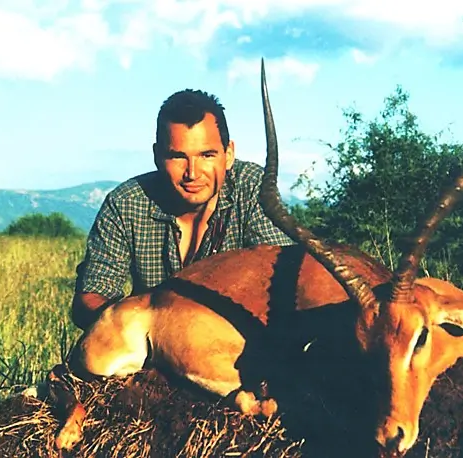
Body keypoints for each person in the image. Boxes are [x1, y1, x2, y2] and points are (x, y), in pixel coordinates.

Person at [71, 88, 295, 330]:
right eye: (178, 157)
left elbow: (287, 274)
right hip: (150, 345)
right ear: (157, 156)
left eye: (207, 155)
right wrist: (146, 328)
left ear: (228, 154)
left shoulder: (250, 186)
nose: (193, 173)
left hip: (232, 342)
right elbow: (89, 298)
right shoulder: (126, 202)